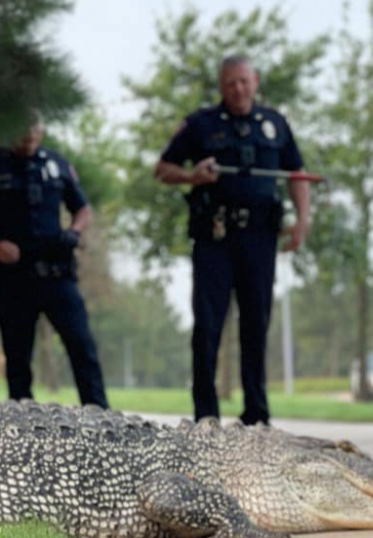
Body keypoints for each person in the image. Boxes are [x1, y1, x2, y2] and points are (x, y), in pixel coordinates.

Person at [154, 54, 312, 425]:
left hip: (260, 236)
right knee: (208, 326)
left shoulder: (275, 123)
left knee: (256, 324)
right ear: (221, 87)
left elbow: (297, 173)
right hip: (216, 237)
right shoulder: (201, 124)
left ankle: (257, 415)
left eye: (244, 81)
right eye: (230, 83)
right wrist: (194, 177)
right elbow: (162, 170)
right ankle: (205, 415)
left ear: (256, 80)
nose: (238, 89)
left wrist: (303, 219)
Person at [0, 112, 109, 408]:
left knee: (82, 346)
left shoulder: (57, 164)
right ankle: (22, 427)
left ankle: (101, 421)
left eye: (34, 126)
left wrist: (74, 231)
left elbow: (83, 208)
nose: (29, 133)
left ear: (42, 128)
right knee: (18, 357)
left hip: (57, 273)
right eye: (22, 126)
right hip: (12, 276)